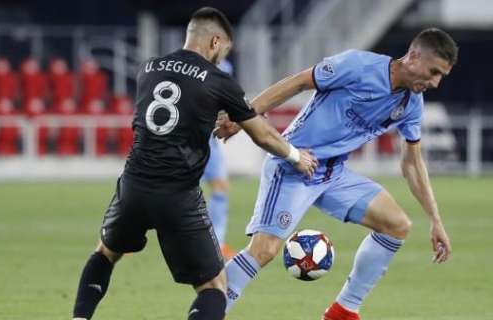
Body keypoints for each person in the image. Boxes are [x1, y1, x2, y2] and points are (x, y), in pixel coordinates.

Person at [71, 7, 317, 320]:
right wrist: (296, 157)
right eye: (224, 50)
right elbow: (264, 135)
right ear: (215, 41)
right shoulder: (218, 80)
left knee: (105, 253)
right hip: (177, 195)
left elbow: (176, 108)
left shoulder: (148, 68)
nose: (222, 56)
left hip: (133, 185)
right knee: (214, 286)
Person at [215, 28, 458, 320]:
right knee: (263, 251)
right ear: (414, 56)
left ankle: (343, 311)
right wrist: (246, 116)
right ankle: (208, 312)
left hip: (334, 174)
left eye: (441, 76)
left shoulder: (411, 104)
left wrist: (435, 220)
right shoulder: (358, 65)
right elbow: (299, 81)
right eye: (433, 72)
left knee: (397, 225)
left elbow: (412, 163)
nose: (435, 82)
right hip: (293, 165)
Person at [202, 59, 236, 259]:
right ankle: (125, 235)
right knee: (168, 191)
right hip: (188, 139)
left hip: (210, 142)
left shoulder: (225, 67)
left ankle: (218, 243)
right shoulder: (194, 65)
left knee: (220, 188)